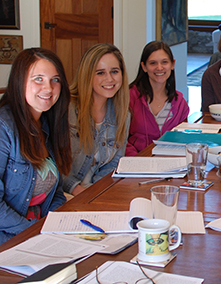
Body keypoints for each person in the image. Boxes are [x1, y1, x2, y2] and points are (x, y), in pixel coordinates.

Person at [0, 48, 71, 244]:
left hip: (40, 233)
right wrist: (35, 232)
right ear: (19, 80)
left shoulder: (48, 124)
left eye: (55, 80)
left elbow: (55, 192)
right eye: (38, 79)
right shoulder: (3, 127)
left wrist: (54, 225)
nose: (48, 88)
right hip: (10, 238)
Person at [63, 43, 130, 196]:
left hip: (97, 190)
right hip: (65, 192)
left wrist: (97, 191)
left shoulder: (123, 115)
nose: (109, 79)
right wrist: (79, 191)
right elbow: (53, 164)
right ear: (87, 74)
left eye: (114, 71)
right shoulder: (66, 110)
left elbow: (115, 163)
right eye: (100, 73)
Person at [126, 41, 189, 156]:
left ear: (172, 64)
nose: (159, 68)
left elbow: (182, 139)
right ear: (144, 67)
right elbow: (120, 140)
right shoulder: (130, 97)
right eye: (153, 63)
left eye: (164, 62)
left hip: (169, 163)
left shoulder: (180, 102)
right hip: (136, 163)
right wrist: (138, 160)